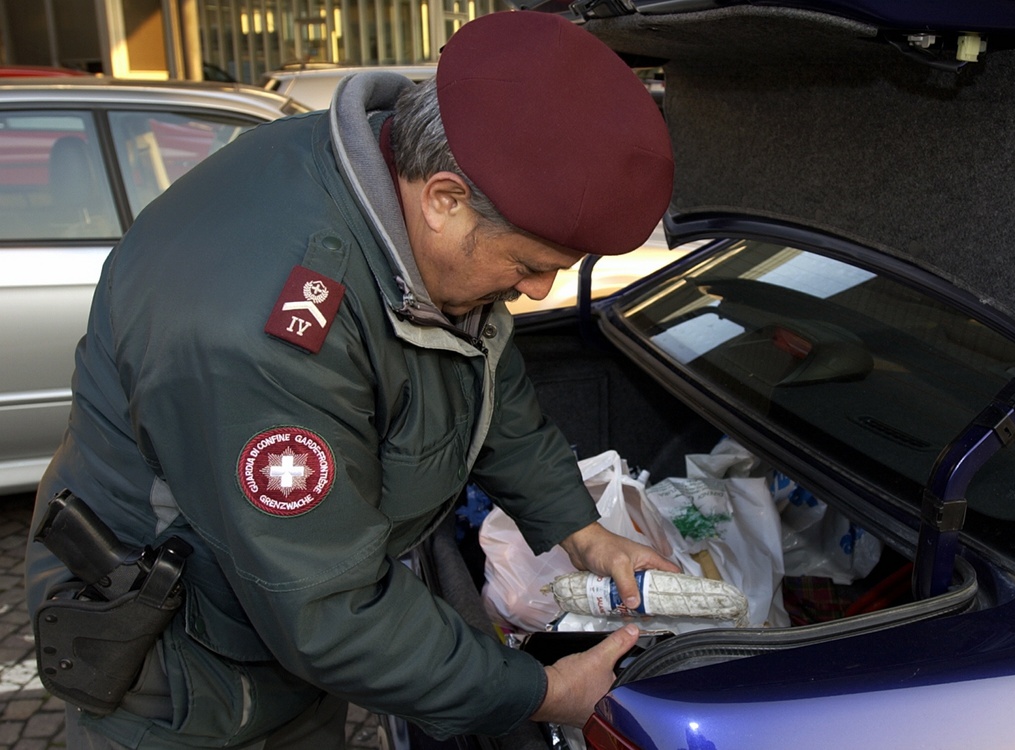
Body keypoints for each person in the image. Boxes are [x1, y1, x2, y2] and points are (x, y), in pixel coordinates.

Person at [25, 9, 676, 749]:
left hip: (272, 629)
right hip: (181, 673)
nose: (534, 294)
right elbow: (328, 610)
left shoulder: (386, 192)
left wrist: (584, 533)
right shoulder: (260, 332)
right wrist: (542, 691)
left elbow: (489, 386)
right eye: (530, 267)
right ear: (444, 199)